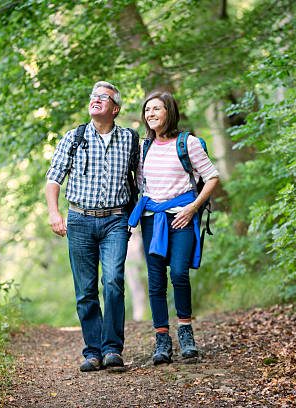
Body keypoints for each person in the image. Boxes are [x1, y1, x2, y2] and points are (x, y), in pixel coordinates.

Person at [45, 81, 139, 372]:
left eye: (103, 97)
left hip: (115, 220)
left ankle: (112, 349)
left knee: (112, 282)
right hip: (79, 220)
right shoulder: (73, 137)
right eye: (93, 97)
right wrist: (53, 213)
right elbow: (53, 178)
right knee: (85, 290)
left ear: (115, 108)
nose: (96, 100)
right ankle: (92, 352)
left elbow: (142, 179)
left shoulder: (130, 139)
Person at [128, 91, 219, 365]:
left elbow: (212, 176)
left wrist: (193, 208)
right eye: (147, 110)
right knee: (155, 281)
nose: (150, 114)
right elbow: (140, 184)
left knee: (179, 273)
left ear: (169, 111)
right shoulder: (144, 147)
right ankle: (162, 340)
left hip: (182, 215)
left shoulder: (187, 143)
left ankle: (186, 333)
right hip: (152, 219)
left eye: (156, 109)